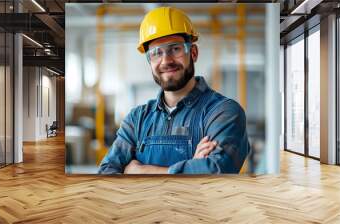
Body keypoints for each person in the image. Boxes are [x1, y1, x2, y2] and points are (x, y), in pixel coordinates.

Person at [99, 6, 250, 174]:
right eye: (156, 53)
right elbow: (106, 172)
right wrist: (191, 168)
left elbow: (215, 172)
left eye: (175, 49)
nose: (166, 61)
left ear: (193, 53)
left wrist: (140, 171)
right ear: (149, 60)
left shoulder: (223, 112)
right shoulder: (137, 119)